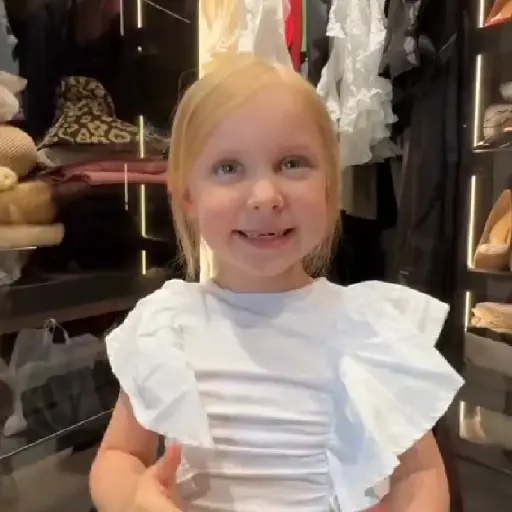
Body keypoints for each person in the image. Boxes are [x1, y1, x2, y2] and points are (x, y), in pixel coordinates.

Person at [89, 54, 463, 512]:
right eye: (228, 168)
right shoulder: (166, 325)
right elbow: (119, 455)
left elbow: (420, 475)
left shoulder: (368, 328)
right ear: (187, 195)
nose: (265, 197)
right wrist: (135, 499)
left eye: (292, 163)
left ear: (329, 187)